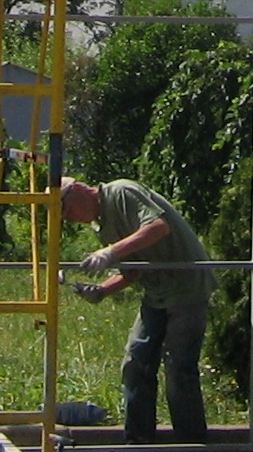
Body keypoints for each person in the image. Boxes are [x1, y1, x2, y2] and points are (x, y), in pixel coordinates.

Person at [60, 177, 212, 444]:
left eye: (68, 209)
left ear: (80, 189)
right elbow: (132, 271)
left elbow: (158, 226)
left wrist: (110, 251)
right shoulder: (103, 225)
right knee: (135, 362)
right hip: (157, 293)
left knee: (178, 368)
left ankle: (191, 443)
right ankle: (139, 442)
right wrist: (102, 290)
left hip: (187, 286)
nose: (71, 218)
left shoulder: (122, 192)